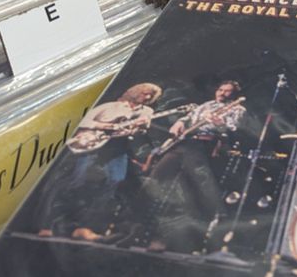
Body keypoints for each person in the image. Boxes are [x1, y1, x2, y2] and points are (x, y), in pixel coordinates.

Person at [38, 82, 163, 242]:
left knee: (114, 181)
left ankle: (86, 227)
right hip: (94, 145)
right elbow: (82, 121)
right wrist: (104, 125)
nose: (147, 97)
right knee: (78, 181)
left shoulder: (147, 111)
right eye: (145, 93)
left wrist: (140, 127)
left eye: (150, 96)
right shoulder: (110, 106)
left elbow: (142, 130)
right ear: (134, 91)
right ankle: (49, 225)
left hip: (119, 147)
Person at [143, 81, 246, 253]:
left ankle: (189, 242)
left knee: (193, 193)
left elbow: (233, 129)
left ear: (234, 95)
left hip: (206, 147)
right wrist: (180, 122)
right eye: (220, 89)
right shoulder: (205, 105)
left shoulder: (237, 109)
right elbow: (189, 117)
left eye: (228, 92)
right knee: (156, 179)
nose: (222, 93)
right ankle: (139, 230)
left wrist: (219, 123)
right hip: (184, 144)